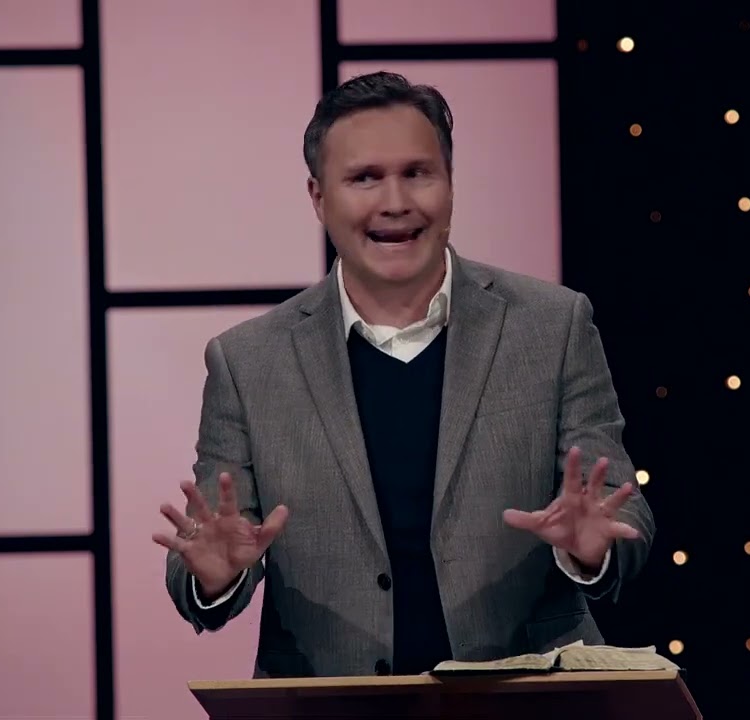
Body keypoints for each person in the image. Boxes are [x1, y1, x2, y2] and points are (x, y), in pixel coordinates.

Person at [153, 70, 655, 679]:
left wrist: (594, 550)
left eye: (417, 173)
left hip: (526, 696)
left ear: (450, 184)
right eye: (364, 178)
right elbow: (206, 547)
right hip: (329, 701)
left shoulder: (553, 325)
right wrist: (215, 575)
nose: (395, 202)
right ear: (318, 197)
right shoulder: (248, 360)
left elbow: (619, 504)